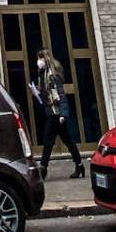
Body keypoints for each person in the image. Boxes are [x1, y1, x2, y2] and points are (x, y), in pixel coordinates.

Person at [33, 48, 85, 178]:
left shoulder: (53, 76)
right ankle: (80, 165)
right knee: (68, 141)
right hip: (52, 112)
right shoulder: (43, 74)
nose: (38, 61)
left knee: (48, 140)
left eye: (40, 58)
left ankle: (43, 168)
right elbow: (45, 92)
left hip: (56, 113)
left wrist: (63, 114)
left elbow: (61, 95)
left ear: (45, 59)